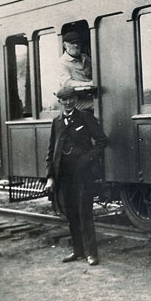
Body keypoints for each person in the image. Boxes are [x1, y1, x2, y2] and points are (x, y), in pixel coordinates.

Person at [45, 85, 108, 266]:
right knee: (71, 213)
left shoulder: (85, 118)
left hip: (83, 174)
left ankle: (91, 254)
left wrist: (87, 159)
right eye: (65, 99)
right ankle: (78, 251)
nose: (68, 102)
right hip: (64, 175)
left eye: (71, 98)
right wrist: (50, 176)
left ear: (75, 99)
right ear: (60, 102)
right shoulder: (56, 122)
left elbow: (102, 141)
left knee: (85, 213)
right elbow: (51, 151)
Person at [58, 31, 94, 112]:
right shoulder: (62, 62)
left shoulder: (85, 58)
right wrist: (88, 84)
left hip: (92, 95)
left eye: (77, 43)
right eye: (72, 43)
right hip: (76, 101)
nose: (76, 45)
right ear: (65, 45)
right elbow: (67, 83)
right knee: (102, 105)